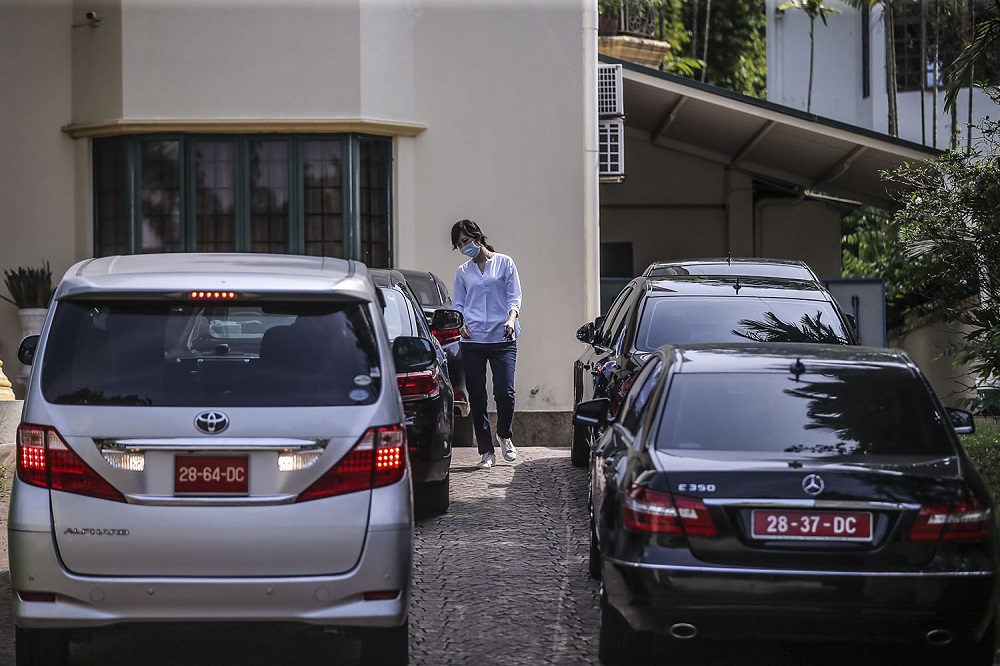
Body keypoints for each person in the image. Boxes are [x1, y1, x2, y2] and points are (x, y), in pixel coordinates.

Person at [450, 219, 522, 470]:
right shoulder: (463, 272)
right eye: (459, 245)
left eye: (465, 241)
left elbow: (514, 296)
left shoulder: (505, 263)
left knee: (505, 392)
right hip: (472, 340)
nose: (464, 247)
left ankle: (504, 434)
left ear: (477, 237)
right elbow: (458, 304)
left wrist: (511, 319)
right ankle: (486, 452)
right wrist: (460, 323)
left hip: (503, 337)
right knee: (477, 396)